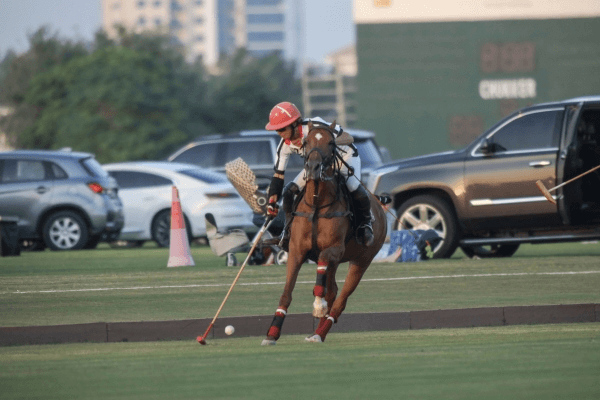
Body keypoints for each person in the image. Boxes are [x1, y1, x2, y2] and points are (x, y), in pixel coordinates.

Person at [264, 101, 374, 250]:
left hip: (344, 157)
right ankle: (288, 232)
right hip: (317, 164)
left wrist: (329, 142)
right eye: (276, 130)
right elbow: (278, 175)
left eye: (282, 128)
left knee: (353, 186)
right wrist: (272, 201)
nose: (279, 133)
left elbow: (349, 138)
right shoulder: (284, 146)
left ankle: (365, 224)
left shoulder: (315, 125)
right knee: (289, 191)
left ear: (295, 123)